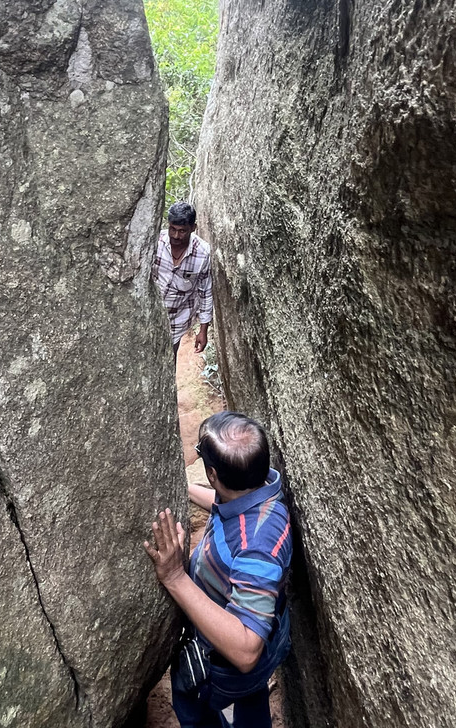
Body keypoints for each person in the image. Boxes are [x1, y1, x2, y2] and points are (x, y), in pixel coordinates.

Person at [144, 412, 292, 728]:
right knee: (254, 694)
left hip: (230, 665)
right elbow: (227, 503)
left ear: (213, 475)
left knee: (191, 705)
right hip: (274, 636)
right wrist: (180, 487)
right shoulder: (263, 492)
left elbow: (246, 649)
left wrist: (174, 577)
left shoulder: (257, 546)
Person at [152, 201, 213, 362]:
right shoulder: (154, 242)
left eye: (182, 231)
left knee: (167, 362)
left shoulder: (202, 253)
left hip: (177, 321)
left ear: (193, 228)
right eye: (173, 229)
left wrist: (203, 329)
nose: (176, 236)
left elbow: (205, 291)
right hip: (149, 316)